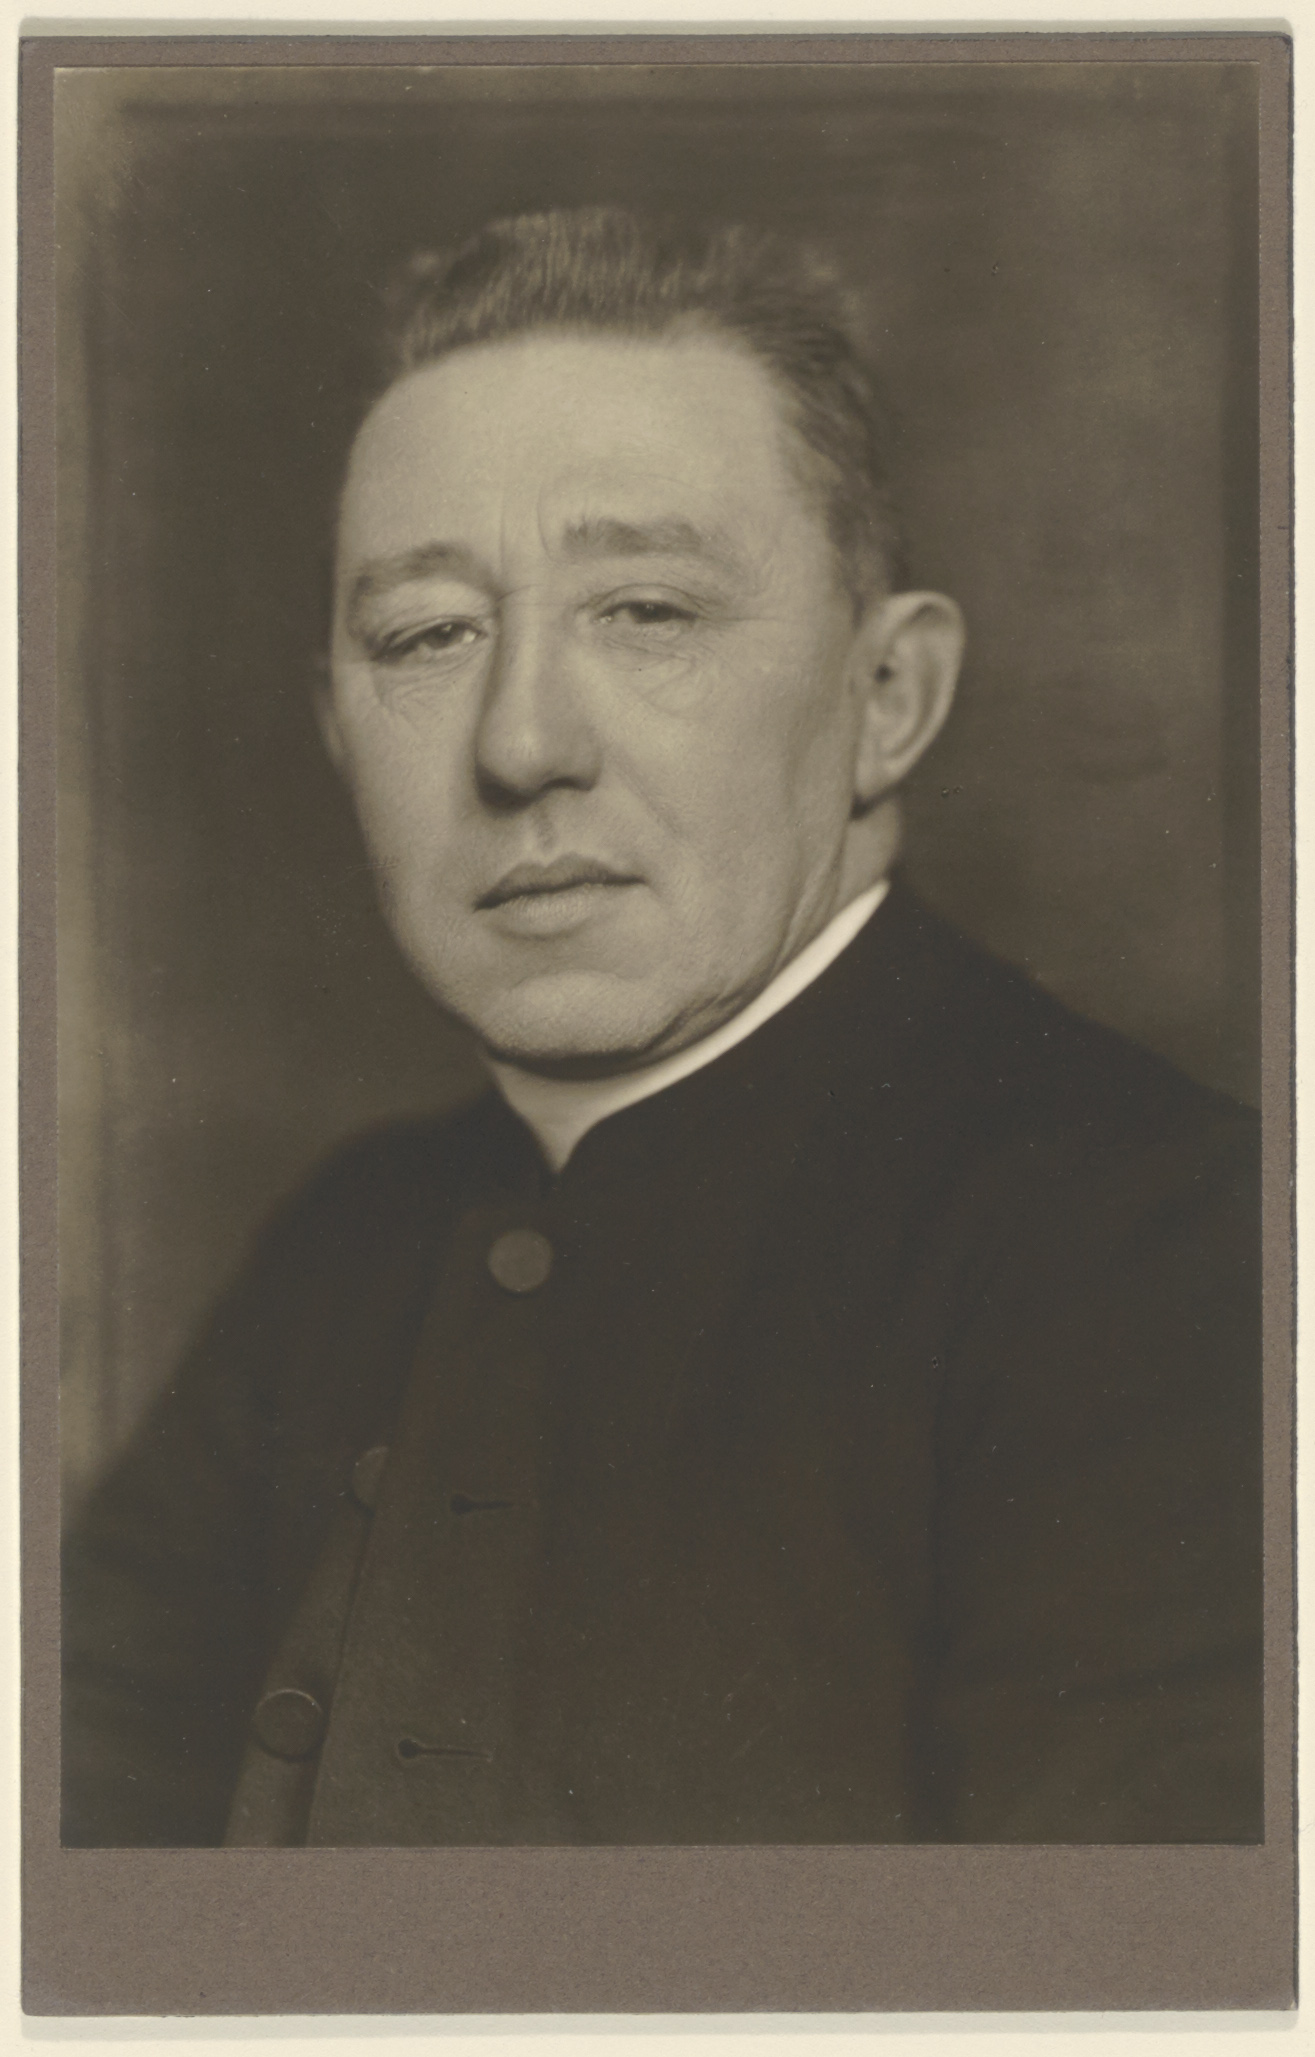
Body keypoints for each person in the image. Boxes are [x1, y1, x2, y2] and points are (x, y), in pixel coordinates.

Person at [62, 206, 1263, 1849]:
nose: (522, 743)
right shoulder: (340, 1247)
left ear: (887, 699)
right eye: (427, 635)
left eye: (646, 611)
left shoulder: (1174, 1250)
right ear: (339, 733)